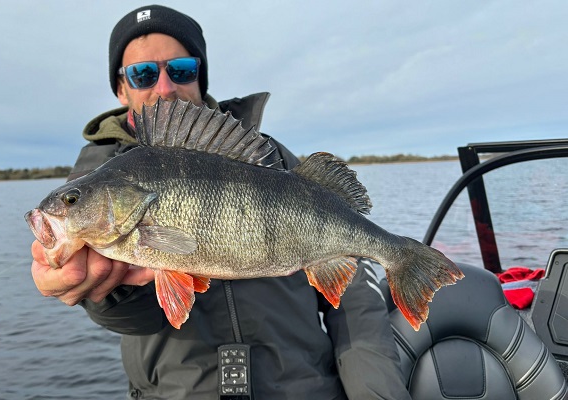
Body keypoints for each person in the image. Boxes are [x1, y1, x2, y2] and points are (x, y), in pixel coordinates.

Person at [30, 5, 411, 399]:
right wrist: (106, 294)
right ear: (121, 88)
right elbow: (137, 317)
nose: (164, 87)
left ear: (199, 75)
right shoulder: (101, 175)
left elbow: (355, 301)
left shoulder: (271, 159)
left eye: (180, 69)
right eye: (142, 74)